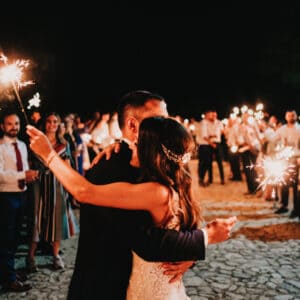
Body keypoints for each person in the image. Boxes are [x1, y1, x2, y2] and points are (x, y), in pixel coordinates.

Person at [27, 115, 237, 299]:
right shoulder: (181, 183)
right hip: (165, 286)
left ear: (150, 152)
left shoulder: (155, 191)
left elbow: (84, 192)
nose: (132, 146)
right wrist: (195, 249)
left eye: (138, 144)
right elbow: (181, 233)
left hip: (149, 290)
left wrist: (49, 154)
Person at [26, 112, 79, 273]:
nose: (52, 124)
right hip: (38, 183)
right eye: (49, 121)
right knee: (36, 218)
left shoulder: (64, 144)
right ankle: (30, 256)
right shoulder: (35, 142)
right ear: (44, 123)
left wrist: (72, 188)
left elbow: (68, 167)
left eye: (55, 121)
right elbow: (28, 164)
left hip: (57, 183)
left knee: (57, 218)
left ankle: (56, 255)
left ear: (58, 124)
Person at [0, 110, 38, 292]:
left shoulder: (22, 145)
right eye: (9, 124)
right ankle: (8, 280)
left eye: (16, 124)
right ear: (2, 126)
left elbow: (23, 167)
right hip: (6, 197)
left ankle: (9, 272)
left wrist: (30, 175)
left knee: (16, 238)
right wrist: (24, 174)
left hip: (21, 195)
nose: (14, 127)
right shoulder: (0, 147)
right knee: (6, 239)